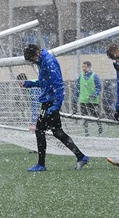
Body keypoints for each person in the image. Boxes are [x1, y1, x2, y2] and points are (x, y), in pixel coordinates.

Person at [21, 44, 89, 172]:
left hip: (50, 103)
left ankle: (41, 164)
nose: (32, 62)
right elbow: (45, 81)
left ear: (36, 54)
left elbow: (58, 84)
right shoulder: (43, 61)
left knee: (40, 130)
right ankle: (81, 156)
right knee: (57, 132)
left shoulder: (48, 61)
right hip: (48, 101)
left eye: (31, 60)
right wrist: (30, 84)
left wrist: (56, 106)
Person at [73, 61, 103, 136]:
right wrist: (75, 99)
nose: (83, 68)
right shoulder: (80, 77)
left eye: (85, 67)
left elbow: (99, 87)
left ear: (89, 67)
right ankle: (86, 132)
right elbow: (77, 89)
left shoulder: (94, 76)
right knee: (84, 116)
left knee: (95, 115)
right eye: (82, 67)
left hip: (93, 101)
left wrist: (94, 95)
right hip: (83, 100)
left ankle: (100, 127)